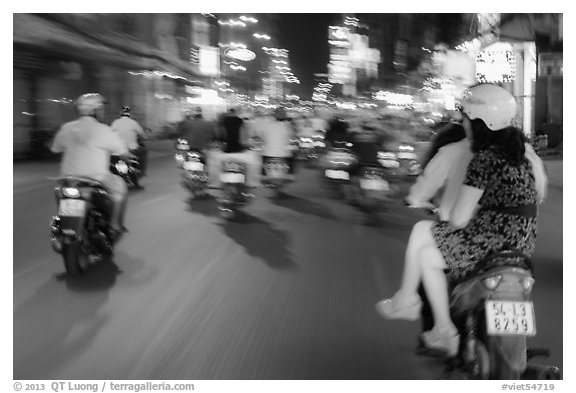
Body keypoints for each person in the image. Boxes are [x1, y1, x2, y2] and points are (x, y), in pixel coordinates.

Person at [375, 84, 548, 357]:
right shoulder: (521, 156)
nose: (463, 124)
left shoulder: (484, 159)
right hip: (522, 243)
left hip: (489, 244)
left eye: (465, 118)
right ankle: (423, 313)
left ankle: (431, 318)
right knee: (425, 247)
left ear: (480, 122)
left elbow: (458, 219)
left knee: (424, 242)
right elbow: (537, 194)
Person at [51, 93, 129, 234]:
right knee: (120, 189)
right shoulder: (105, 130)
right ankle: (114, 225)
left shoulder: (67, 128)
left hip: (68, 180)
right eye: (101, 109)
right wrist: (125, 157)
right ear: (95, 111)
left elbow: (55, 148)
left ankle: (63, 224)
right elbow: (123, 152)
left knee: (59, 193)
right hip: (97, 179)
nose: (103, 112)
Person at [207, 108, 261, 188]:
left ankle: (215, 184)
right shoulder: (242, 123)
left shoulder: (221, 123)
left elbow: (219, 137)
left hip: (224, 154)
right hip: (241, 154)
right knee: (255, 161)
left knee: (212, 161)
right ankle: (252, 183)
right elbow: (245, 139)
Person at [256, 107, 298, 178]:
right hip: (285, 155)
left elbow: (261, 137)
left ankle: (263, 175)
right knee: (291, 168)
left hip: (268, 153)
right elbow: (293, 139)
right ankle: (290, 174)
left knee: (262, 169)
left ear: (274, 115)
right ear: (285, 116)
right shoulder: (288, 126)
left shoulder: (267, 126)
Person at [111, 106, 148, 176]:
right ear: (129, 113)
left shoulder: (115, 123)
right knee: (143, 152)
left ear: (120, 113)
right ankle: (141, 171)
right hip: (132, 148)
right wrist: (145, 138)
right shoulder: (133, 123)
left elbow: (110, 134)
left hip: (117, 150)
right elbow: (142, 134)